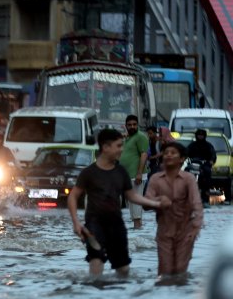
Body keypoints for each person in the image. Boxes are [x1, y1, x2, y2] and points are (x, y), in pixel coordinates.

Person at [69, 128, 169, 278]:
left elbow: (132, 196)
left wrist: (155, 204)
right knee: (96, 260)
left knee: (123, 270)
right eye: (118, 146)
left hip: (116, 224)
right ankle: (92, 294)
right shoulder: (89, 172)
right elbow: (73, 196)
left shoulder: (121, 171)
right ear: (105, 147)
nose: (121, 150)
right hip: (94, 223)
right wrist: (76, 222)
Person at [146, 141, 203, 279]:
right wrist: (158, 201)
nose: (169, 156)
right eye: (166, 153)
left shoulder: (188, 179)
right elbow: (146, 203)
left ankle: (179, 298)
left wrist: (196, 226)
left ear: (182, 158)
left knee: (179, 271)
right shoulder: (155, 179)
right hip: (164, 230)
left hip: (185, 231)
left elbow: (196, 203)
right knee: (164, 272)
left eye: (173, 153)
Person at [119, 115, 150, 229]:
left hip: (136, 176)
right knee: (131, 205)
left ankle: (138, 230)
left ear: (138, 125)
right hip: (127, 176)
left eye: (134, 124)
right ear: (126, 126)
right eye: (129, 125)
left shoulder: (140, 137)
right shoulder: (127, 138)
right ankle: (136, 233)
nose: (132, 126)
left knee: (136, 205)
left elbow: (144, 154)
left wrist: (139, 173)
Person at [186, 128, 217, 204]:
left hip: (204, 165)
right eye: (199, 135)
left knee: (207, 174)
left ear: (204, 136)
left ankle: (205, 198)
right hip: (193, 164)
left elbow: (213, 155)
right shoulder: (192, 145)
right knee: (186, 172)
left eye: (202, 135)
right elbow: (185, 152)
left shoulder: (208, 145)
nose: (200, 137)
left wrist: (211, 161)